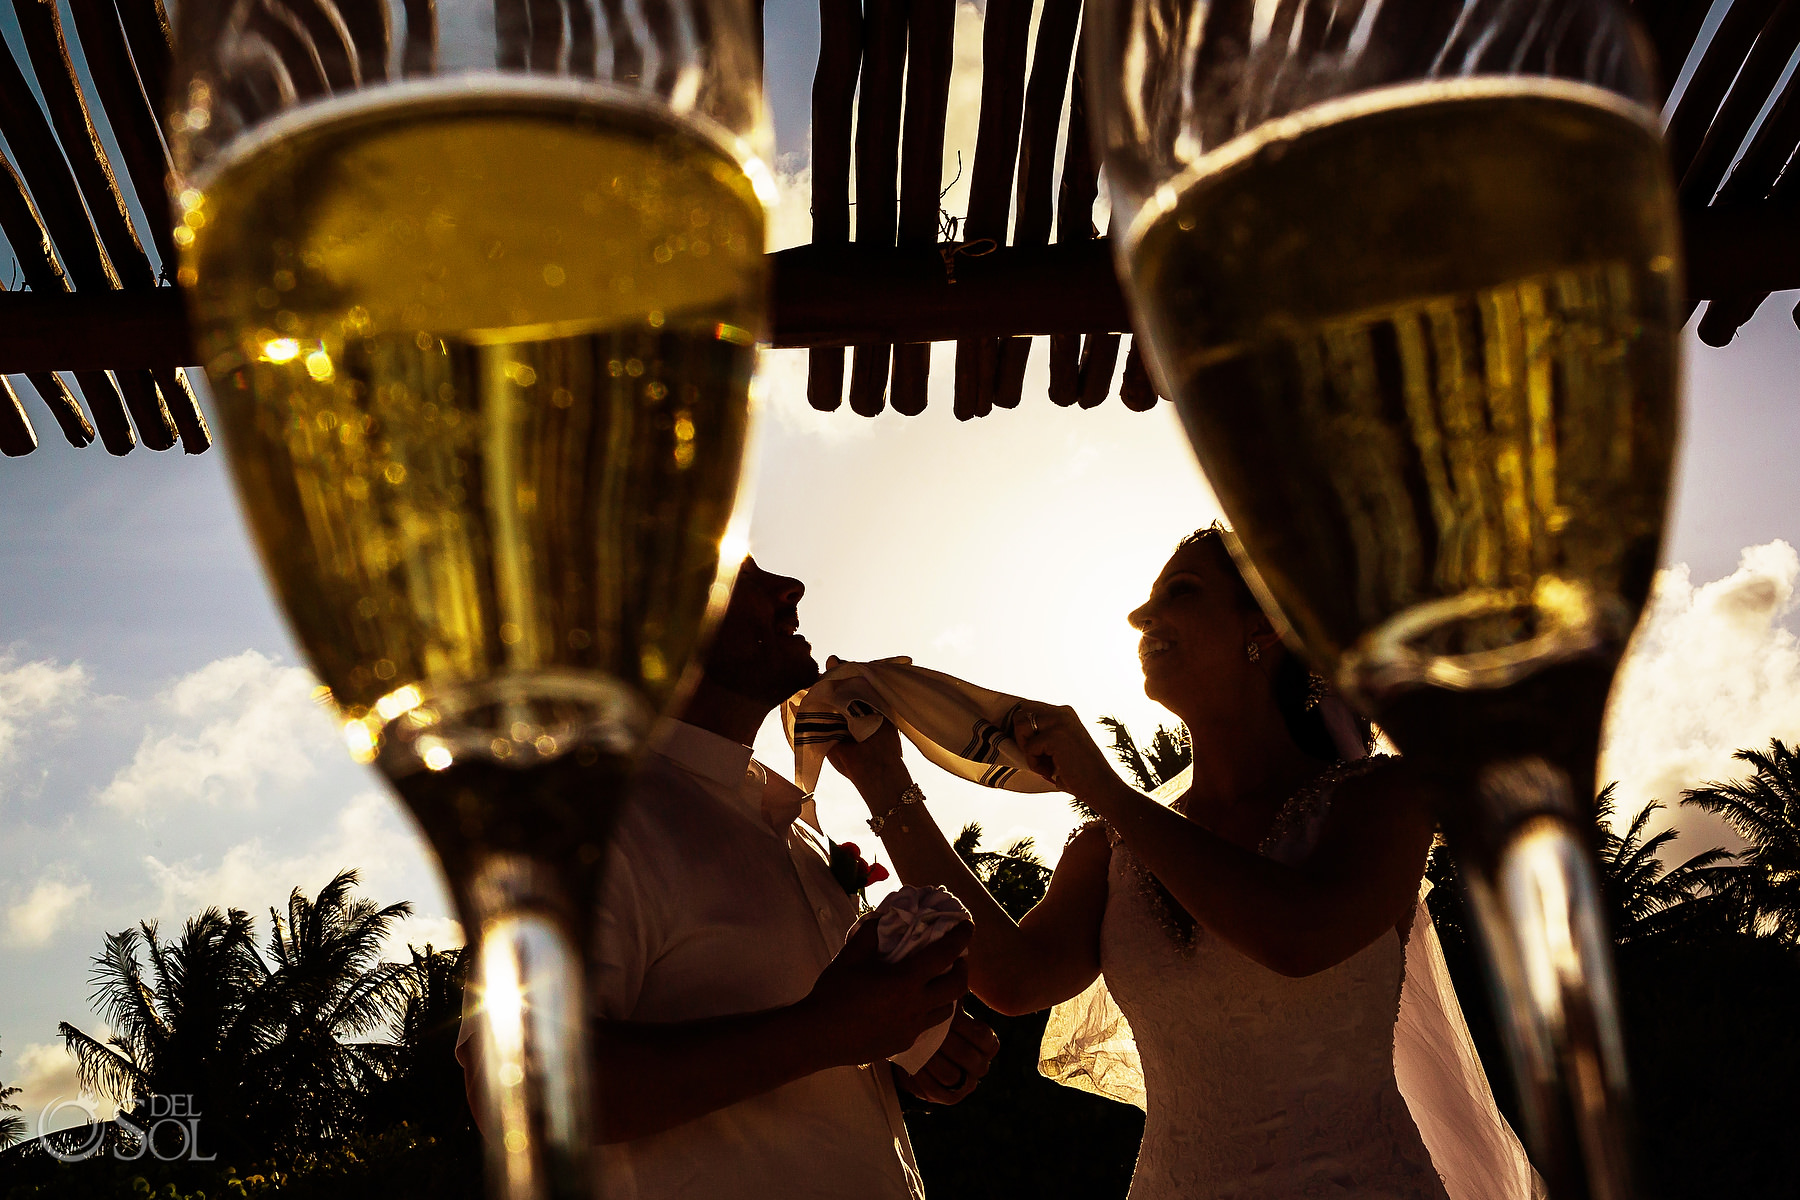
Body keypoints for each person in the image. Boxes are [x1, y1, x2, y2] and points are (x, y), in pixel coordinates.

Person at [827, 528, 1455, 1199]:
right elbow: (1012, 977)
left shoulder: (1384, 798)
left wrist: (1107, 791)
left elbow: (1299, 939)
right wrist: (882, 779)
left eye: (1179, 593)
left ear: (1264, 627)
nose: (1138, 617)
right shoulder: (1110, 848)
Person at [458, 558, 1001, 1200]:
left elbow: (811, 1037)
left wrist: (900, 1037)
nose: (791, 588)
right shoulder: (580, 823)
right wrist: (827, 1031)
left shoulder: (794, 827)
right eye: (735, 567)